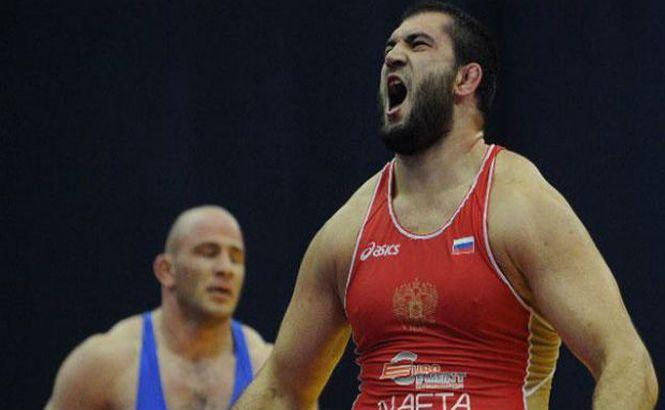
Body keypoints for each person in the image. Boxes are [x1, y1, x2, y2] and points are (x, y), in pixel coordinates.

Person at [233, 2, 658, 409]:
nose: (393, 57)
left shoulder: (520, 205)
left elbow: (626, 361)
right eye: (389, 48)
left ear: (465, 79)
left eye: (417, 44)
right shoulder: (348, 229)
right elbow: (279, 391)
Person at [46, 205, 272, 410]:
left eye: (236, 258)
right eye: (208, 253)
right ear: (166, 270)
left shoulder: (266, 367)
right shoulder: (105, 364)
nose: (225, 269)